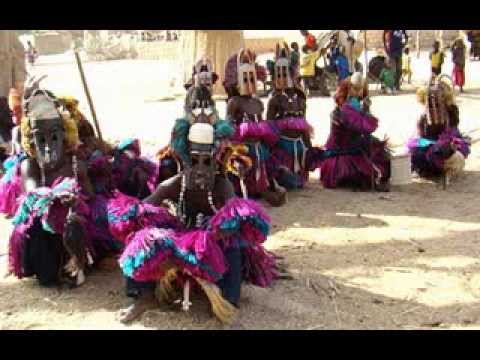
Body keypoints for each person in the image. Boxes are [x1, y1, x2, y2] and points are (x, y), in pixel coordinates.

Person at [113, 121, 277, 325]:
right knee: (143, 239)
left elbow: (237, 216)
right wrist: (141, 221)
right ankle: (144, 296)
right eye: (194, 160)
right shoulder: (173, 184)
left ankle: (228, 302)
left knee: (233, 246)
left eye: (206, 161)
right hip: (180, 237)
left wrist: (213, 236)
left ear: (216, 161)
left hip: (212, 239)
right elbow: (139, 209)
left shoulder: (222, 185)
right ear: (184, 159)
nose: (200, 169)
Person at [224, 49, 287, 206]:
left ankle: (266, 188)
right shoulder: (234, 102)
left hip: (259, 146)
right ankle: (256, 193)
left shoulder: (258, 102)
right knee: (247, 168)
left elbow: (263, 124)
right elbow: (229, 126)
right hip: (243, 148)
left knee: (264, 165)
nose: (249, 82)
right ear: (237, 81)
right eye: (245, 78)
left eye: (252, 78)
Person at [317, 72, 391, 192]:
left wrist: (365, 111)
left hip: (355, 146)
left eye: (360, 89)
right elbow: (359, 127)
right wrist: (365, 113)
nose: (357, 92)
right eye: (355, 88)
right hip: (341, 152)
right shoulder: (345, 108)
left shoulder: (356, 106)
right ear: (348, 88)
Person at [266, 43, 314, 189]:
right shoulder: (274, 100)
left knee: (299, 179)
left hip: (299, 144)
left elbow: (304, 121)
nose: (282, 78)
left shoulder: (300, 97)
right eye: (278, 74)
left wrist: (308, 146)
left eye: (285, 73)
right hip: (282, 146)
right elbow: (269, 125)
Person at [407, 76, 470, 180]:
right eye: (430, 103)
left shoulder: (451, 115)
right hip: (429, 150)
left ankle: (445, 169)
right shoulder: (423, 119)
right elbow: (419, 139)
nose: (434, 106)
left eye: (437, 102)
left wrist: (450, 146)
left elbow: (454, 136)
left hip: (447, 150)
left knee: (457, 157)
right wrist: (430, 145)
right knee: (414, 152)